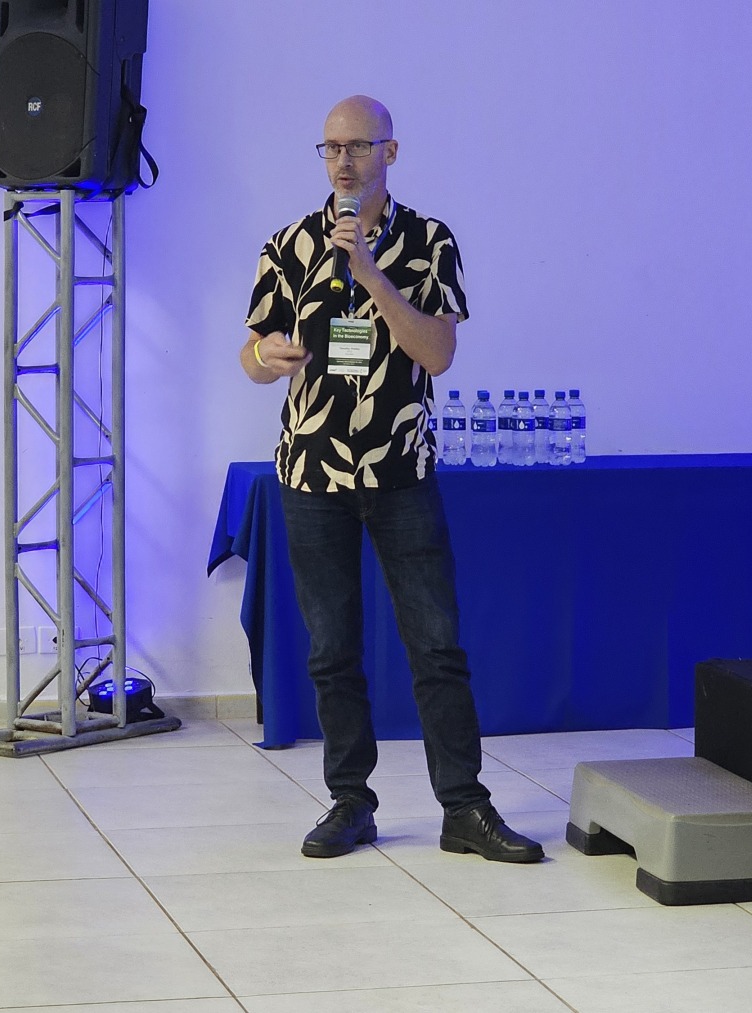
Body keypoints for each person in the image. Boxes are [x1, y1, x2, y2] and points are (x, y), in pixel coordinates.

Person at [239, 95, 542, 863]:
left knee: (436, 645)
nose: (342, 161)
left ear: (391, 153)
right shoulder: (287, 244)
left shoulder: (429, 242)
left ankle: (464, 807)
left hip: (401, 470)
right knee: (331, 649)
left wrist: (369, 272)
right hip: (311, 471)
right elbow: (252, 351)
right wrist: (264, 359)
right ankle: (350, 801)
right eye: (331, 148)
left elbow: (437, 353)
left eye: (358, 147)